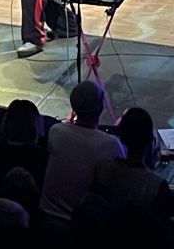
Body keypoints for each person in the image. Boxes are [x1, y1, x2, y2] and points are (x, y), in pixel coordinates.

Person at [39, 79, 124, 222]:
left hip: (45, 218)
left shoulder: (55, 131)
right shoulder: (110, 144)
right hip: (82, 226)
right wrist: (119, 129)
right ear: (101, 106)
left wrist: (67, 124)